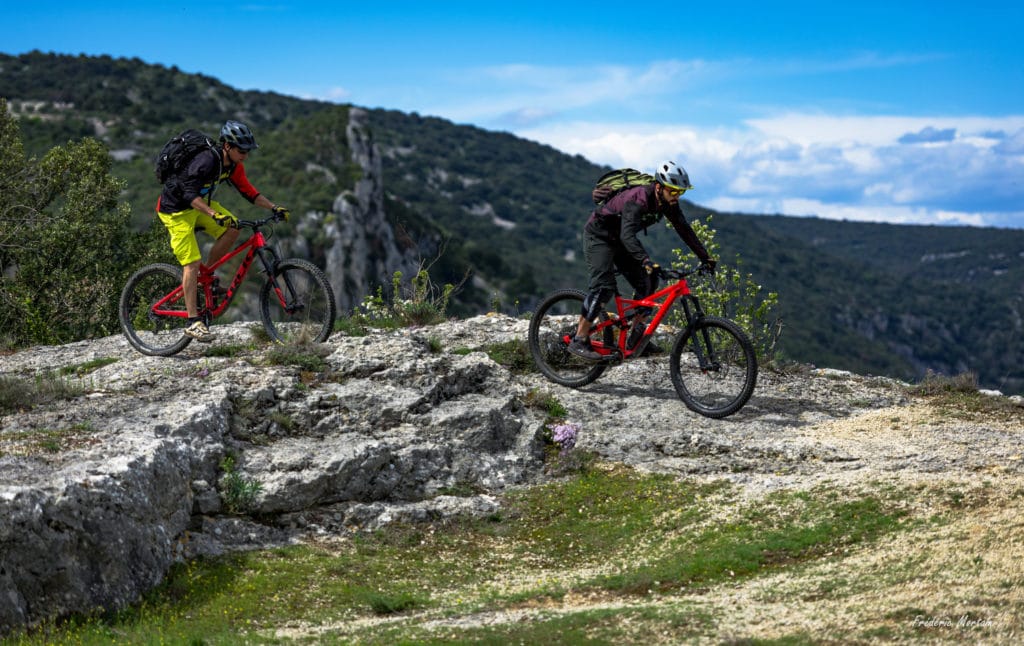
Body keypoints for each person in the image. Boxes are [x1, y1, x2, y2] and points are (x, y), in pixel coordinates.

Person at [568, 161, 717, 361]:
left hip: (620, 240)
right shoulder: (637, 199)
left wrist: (705, 257)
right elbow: (628, 236)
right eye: (672, 191)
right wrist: (646, 260)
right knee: (603, 287)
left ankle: (637, 339)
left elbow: (684, 229)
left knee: (648, 280)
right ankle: (579, 339)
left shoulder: (668, 203)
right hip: (599, 237)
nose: (676, 196)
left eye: (680, 192)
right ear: (659, 187)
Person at [155, 120, 290, 341]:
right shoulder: (207, 161)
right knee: (191, 264)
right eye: (241, 150)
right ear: (227, 146)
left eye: (248, 151)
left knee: (233, 229)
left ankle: (206, 275)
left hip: (199, 205)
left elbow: (249, 192)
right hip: (176, 210)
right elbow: (188, 193)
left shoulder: (235, 165)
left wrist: (274, 207)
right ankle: (192, 321)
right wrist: (213, 214)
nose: (245, 155)